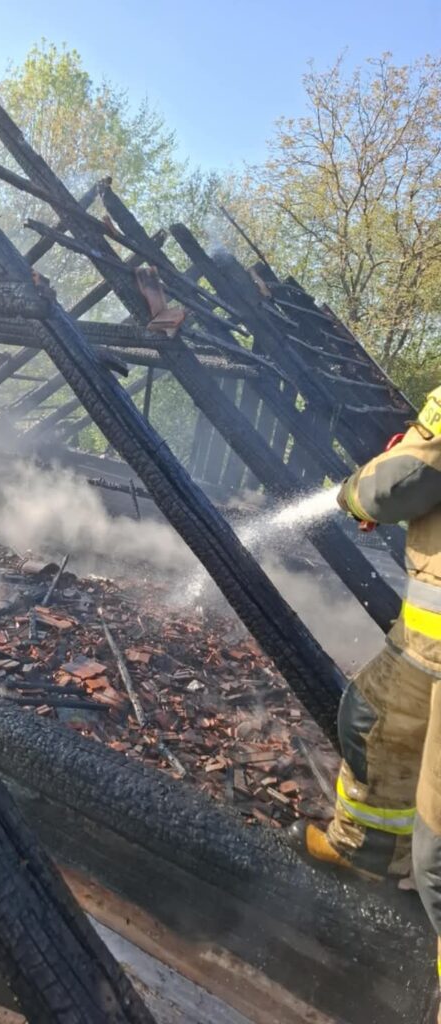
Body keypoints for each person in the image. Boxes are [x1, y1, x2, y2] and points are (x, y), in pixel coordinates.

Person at [290, 385, 441, 1000]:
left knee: (440, 854)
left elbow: (396, 484)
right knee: (370, 714)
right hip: (426, 647)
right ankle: (367, 851)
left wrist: (353, 490)